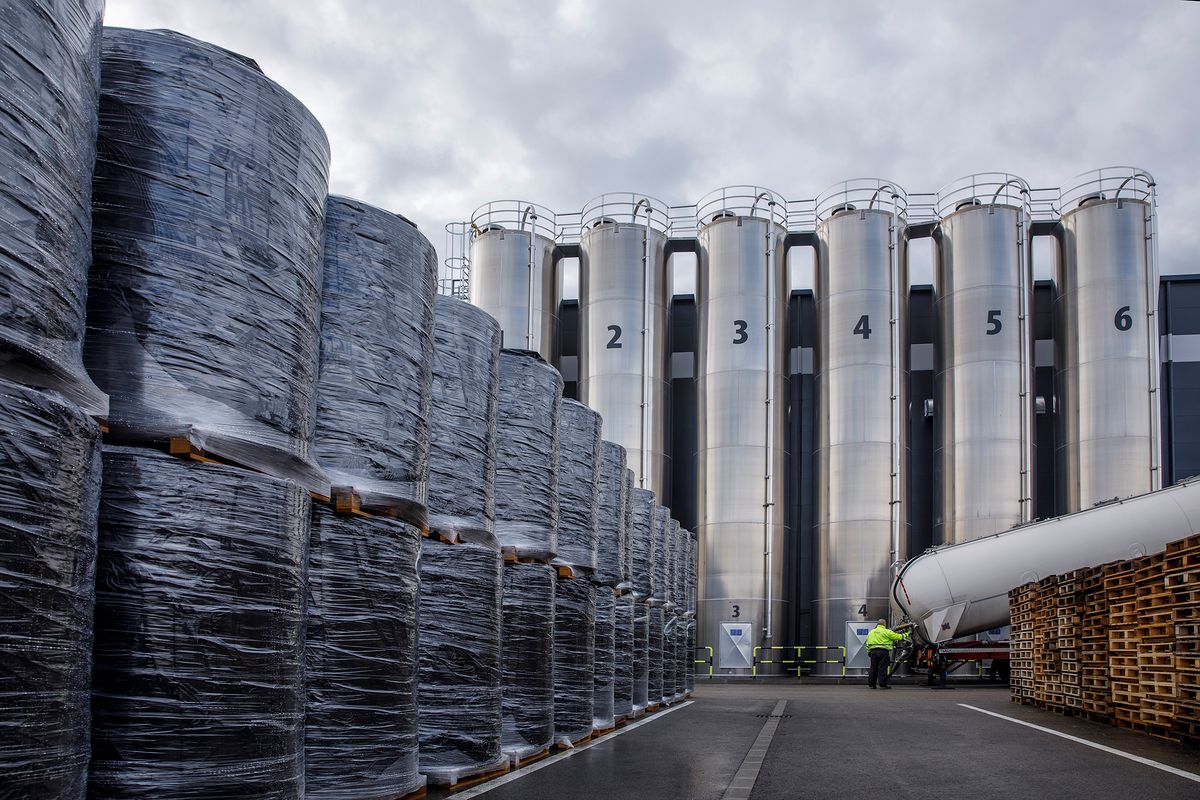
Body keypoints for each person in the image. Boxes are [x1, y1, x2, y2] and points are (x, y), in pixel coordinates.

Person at [865, 618, 909, 689]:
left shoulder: (871, 632)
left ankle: (871, 684)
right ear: (884, 624)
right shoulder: (887, 631)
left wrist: (868, 651)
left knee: (873, 668)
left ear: (878, 624)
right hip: (883, 652)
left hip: (873, 652)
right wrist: (907, 633)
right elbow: (899, 637)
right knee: (882, 668)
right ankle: (882, 684)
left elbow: (867, 643)